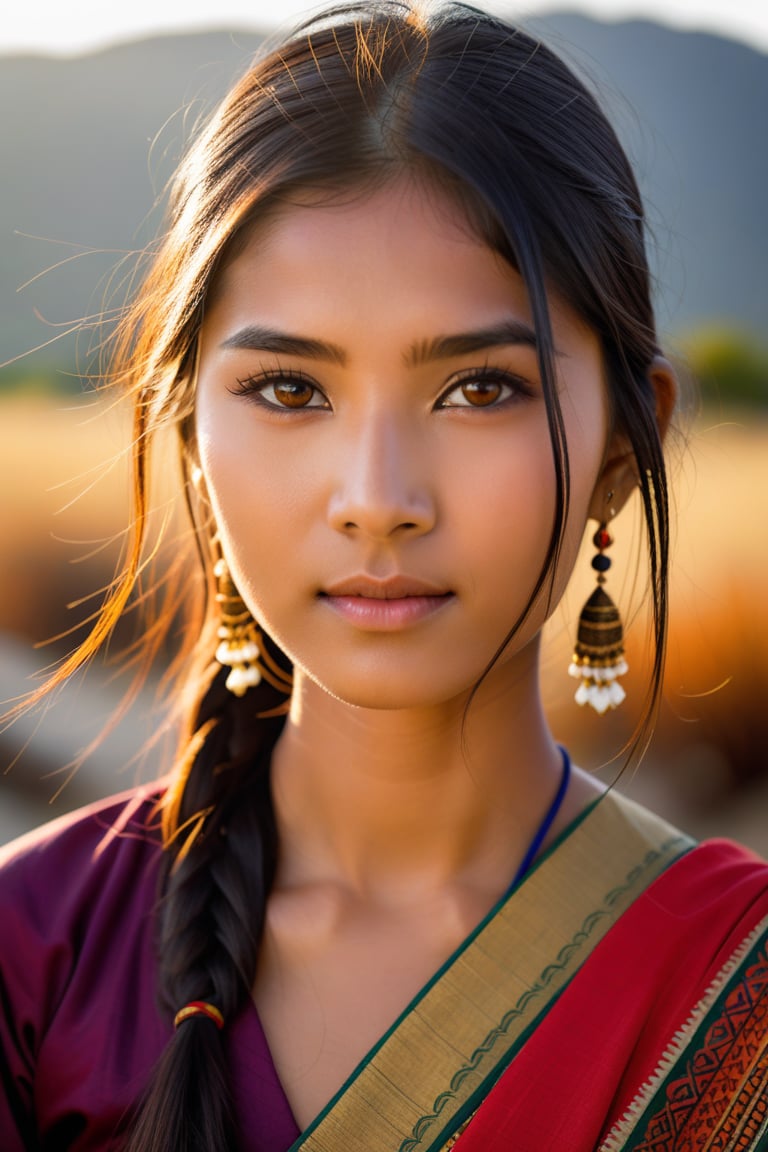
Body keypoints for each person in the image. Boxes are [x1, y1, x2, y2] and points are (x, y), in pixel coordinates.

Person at [2, 2, 767, 1149]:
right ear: (190, 435)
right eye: (290, 392)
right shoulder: (30, 953)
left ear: (625, 442)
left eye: (478, 390)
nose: (376, 494)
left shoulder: (735, 991)